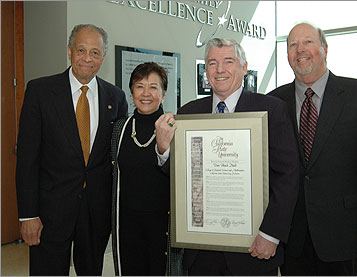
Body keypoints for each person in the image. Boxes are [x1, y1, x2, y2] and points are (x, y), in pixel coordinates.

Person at [155, 38, 299, 276]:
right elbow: (182, 178)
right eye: (212, 63)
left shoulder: (271, 109)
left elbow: (288, 177)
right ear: (206, 71)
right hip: (202, 251)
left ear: (244, 67)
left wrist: (270, 234)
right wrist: (163, 150)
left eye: (228, 61)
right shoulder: (189, 112)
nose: (219, 70)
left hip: (254, 250)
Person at [268, 22, 357, 276]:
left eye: (308, 42)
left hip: (344, 234)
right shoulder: (274, 101)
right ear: (288, 55)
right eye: (292, 44)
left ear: (324, 48)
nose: (300, 49)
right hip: (292, 236)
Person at [16, 24, 128, 276]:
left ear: (103, 57)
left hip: (95, 213)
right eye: (81, 50)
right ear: (69, 51)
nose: (87, 58)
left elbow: (117, 158)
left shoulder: (116, 97)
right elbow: (27, 159)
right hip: (49, 213)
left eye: (95, 53)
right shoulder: (40, 91)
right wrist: (27, 215)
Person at [110, 62, 180, 276]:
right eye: (140, 86)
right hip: (128, 226)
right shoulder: (119, 129)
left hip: (163, 226)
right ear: (131, 93)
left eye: (153, 87)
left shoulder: (174, 126)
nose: (146, 93)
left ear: (164, 92)